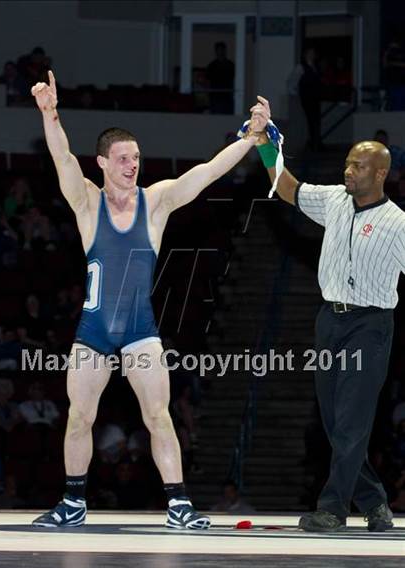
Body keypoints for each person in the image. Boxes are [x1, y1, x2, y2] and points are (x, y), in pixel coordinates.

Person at [29, 70, 263, 529]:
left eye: (135, 158)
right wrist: (50, 114)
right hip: (94, 332)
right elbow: (61, 160)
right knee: (80, 415)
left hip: (139, 332)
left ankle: (178, 505)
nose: (132, 165)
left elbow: (208, 172)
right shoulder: (86, 202)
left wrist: (250, 138)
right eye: (122, 159)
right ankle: (73, 502)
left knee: (159, 415)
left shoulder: (155, 201)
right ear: (101, 162)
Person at [250, 95, 405, 532]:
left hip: (370, 326)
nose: (347, 171)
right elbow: (286, 187)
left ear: (381, 174)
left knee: (352, 420)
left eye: (357, 166)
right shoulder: (335, 200)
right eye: (348, 163)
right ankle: (375, 502)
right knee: (336, 423)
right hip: (328, 322)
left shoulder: (398, 224)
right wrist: (265, 141)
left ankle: (334, 509)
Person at [206, 42, 235, 114]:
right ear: (216, 51)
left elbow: (232, 77)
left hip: (227, 95)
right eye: (219, 50)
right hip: (215, 96)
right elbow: (208, 79)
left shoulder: (230, 65)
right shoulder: (212, 66)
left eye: (222, 50)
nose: (221, 52)